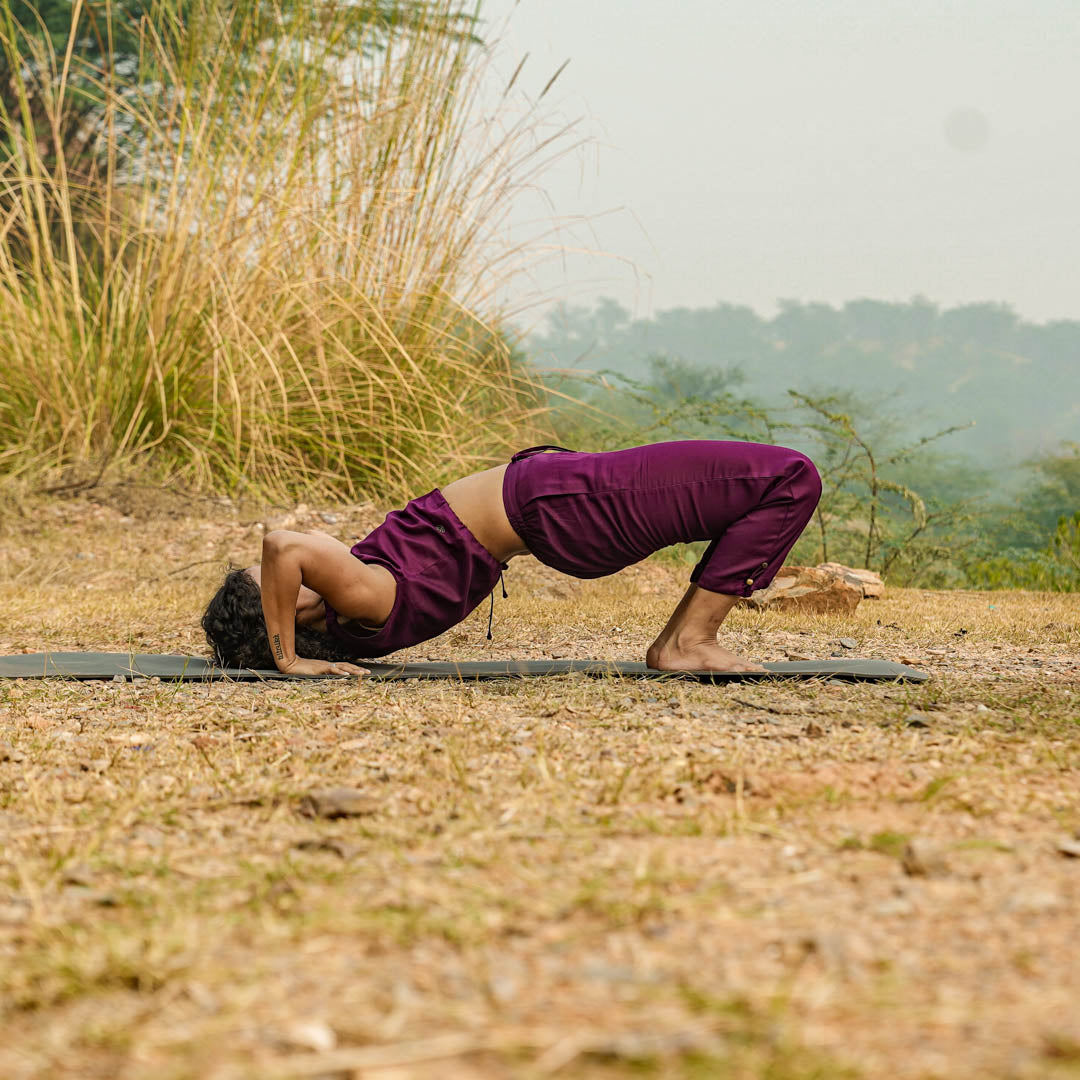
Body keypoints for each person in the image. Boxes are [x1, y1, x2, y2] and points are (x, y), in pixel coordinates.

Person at [201, 441, 821, 676]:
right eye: (277, 586)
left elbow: (289, 557)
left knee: (771, 482)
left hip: (557, 501)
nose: (291, 570)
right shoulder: (362, 600)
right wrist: (286, 662)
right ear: (288, 612)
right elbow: (285, 545)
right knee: (789, 476)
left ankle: (686, 638)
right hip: (562, 506)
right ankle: (689, 640)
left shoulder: (357, 599)